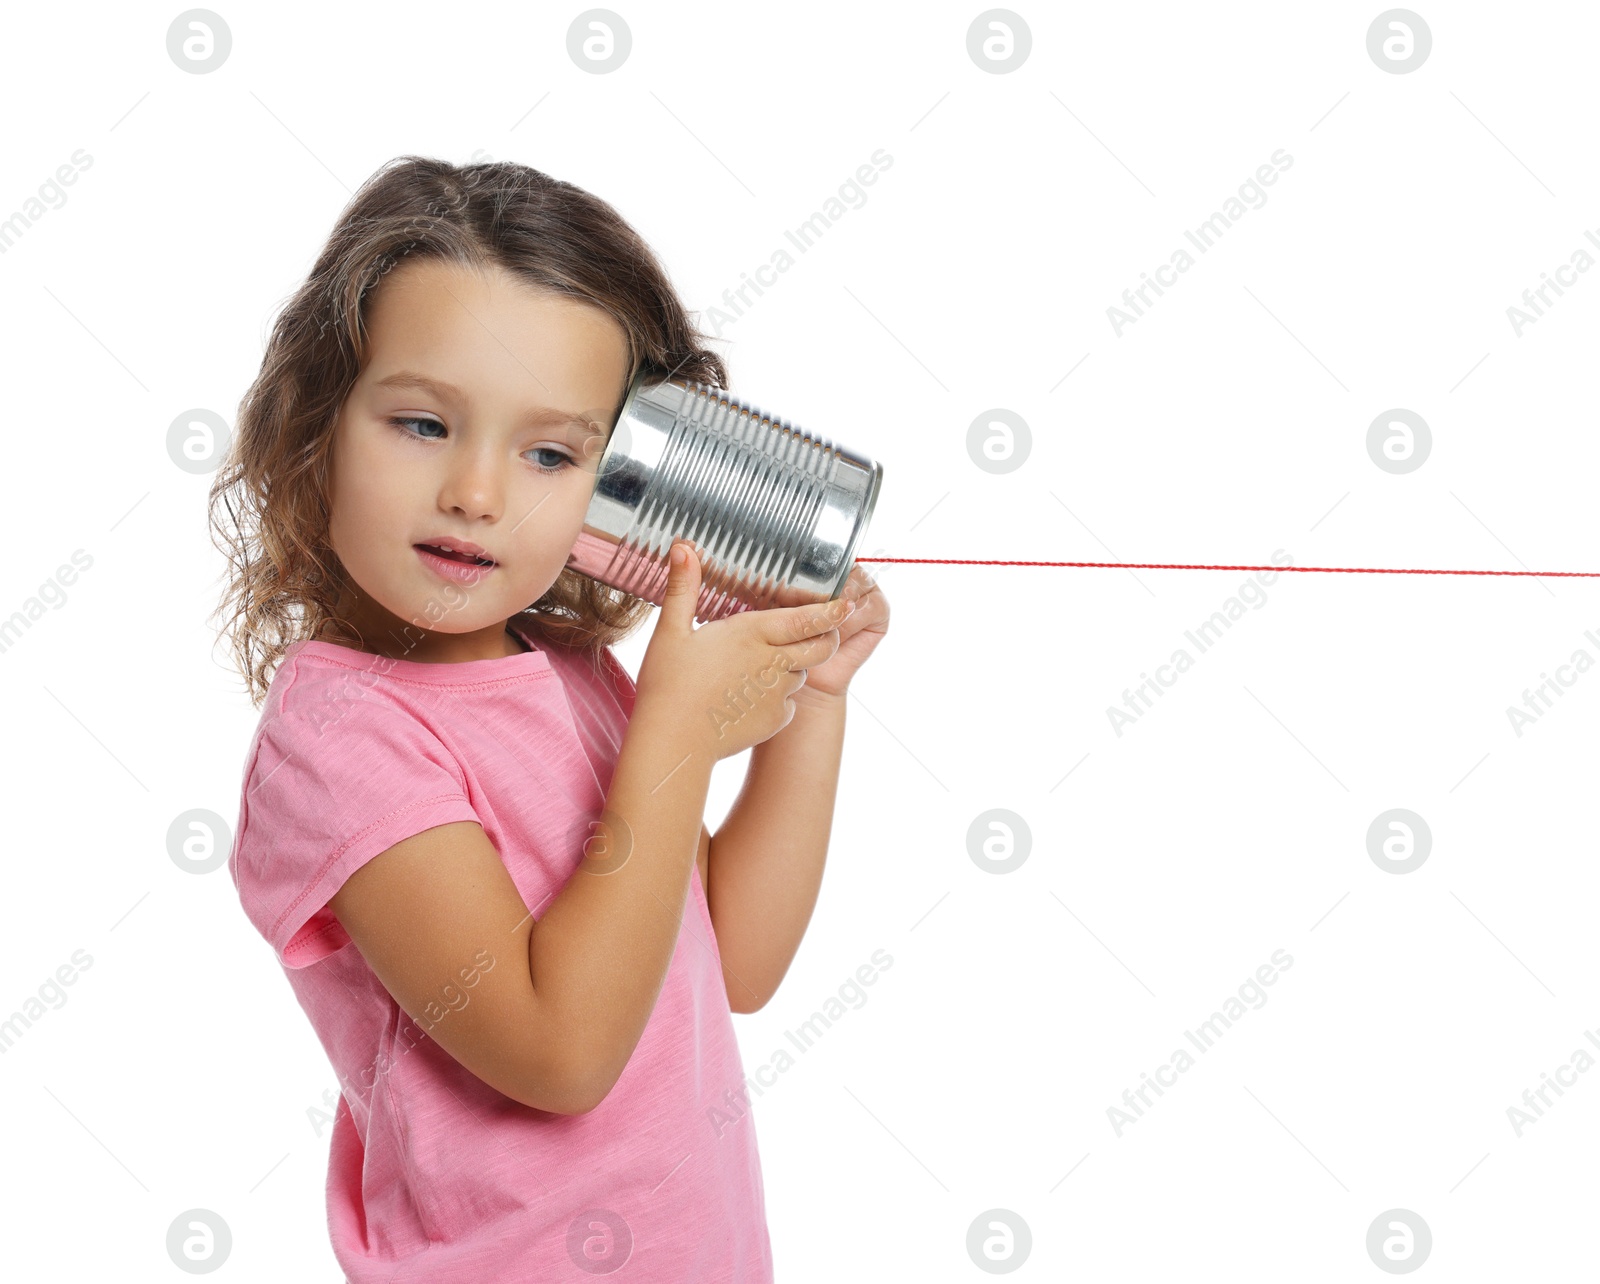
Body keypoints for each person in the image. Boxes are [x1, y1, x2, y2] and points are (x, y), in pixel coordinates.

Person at [208, 155, 889, 1282]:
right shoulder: (342, 743)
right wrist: (672, 736)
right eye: (423, 424)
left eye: (548, 453)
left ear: (616, 483)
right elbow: (560, 1053)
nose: (478, 492)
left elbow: (733, 961)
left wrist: (810, 703)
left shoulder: (561, 669)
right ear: (318, 426)